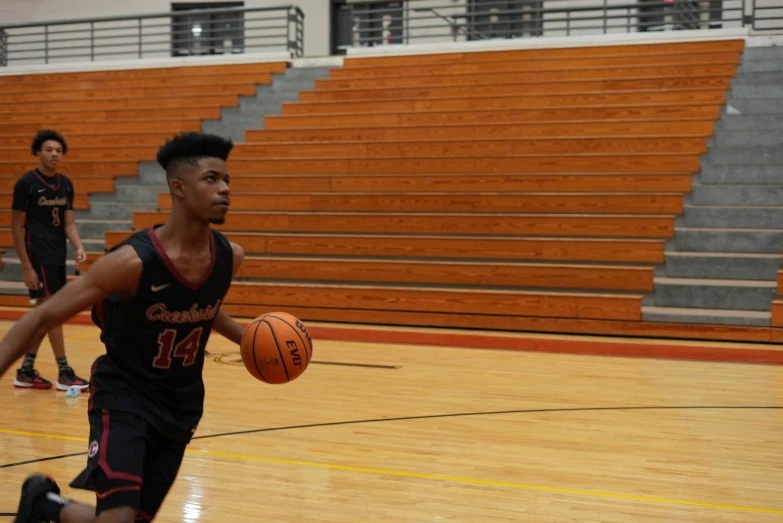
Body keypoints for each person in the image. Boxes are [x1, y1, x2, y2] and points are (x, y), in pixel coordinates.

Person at [1, 131, 247, 523]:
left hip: (181, 405)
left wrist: (249, 340)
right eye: (212, 179)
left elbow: (202, 306)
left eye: (227, 180)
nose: (224, 190)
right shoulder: (132, 262)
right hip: (125, 396)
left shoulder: (229, 257)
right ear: (179, 188)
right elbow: (42, 315)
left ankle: (43, 505)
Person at [11, 130, 89, 391]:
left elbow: (69, 223)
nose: (54, 153)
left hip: (57, 257)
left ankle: (25, 370)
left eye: (58, 150)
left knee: (44, 315)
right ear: (38, 152)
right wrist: (26, 266)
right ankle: (64, 371)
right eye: (49, 149)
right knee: (53, 314)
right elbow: (16, 228)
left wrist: (79, 246)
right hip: (38, 257)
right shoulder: (27, 183)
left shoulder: (66, 184)